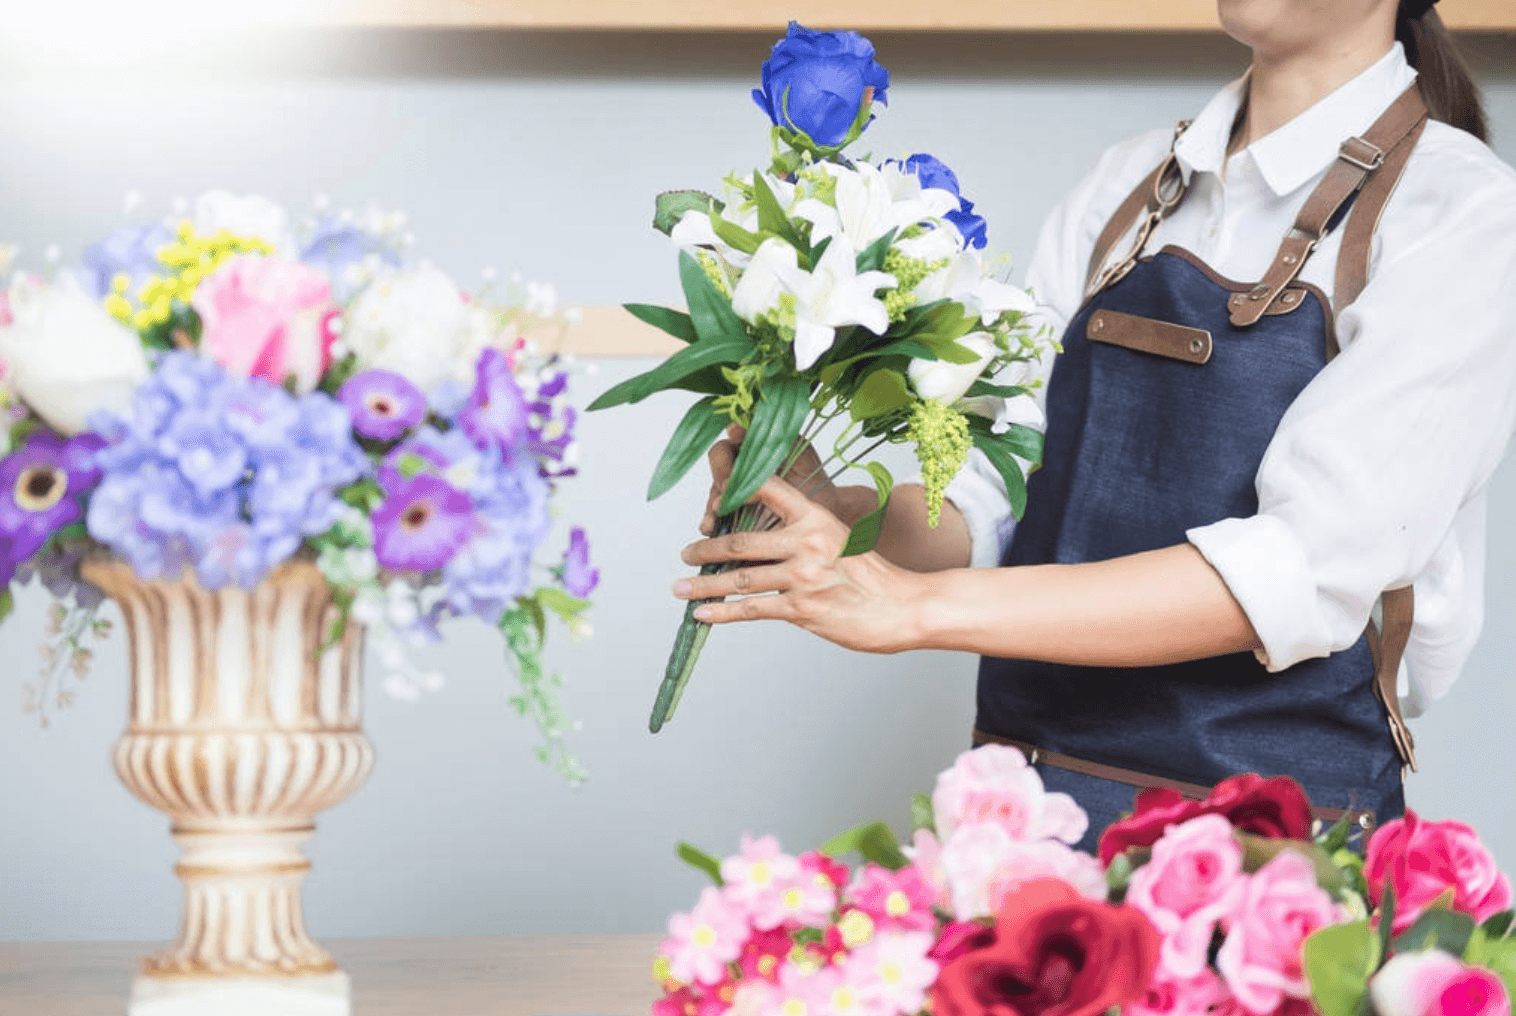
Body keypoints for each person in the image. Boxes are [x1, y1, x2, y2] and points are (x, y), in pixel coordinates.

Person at [671, 0, 1516, 849]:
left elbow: (1296, 571)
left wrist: (914, 607)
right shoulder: (1126, 185)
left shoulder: (1459, 214)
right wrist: (842, 515)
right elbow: (998, 500)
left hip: (1271, 860)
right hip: (1033, 819)